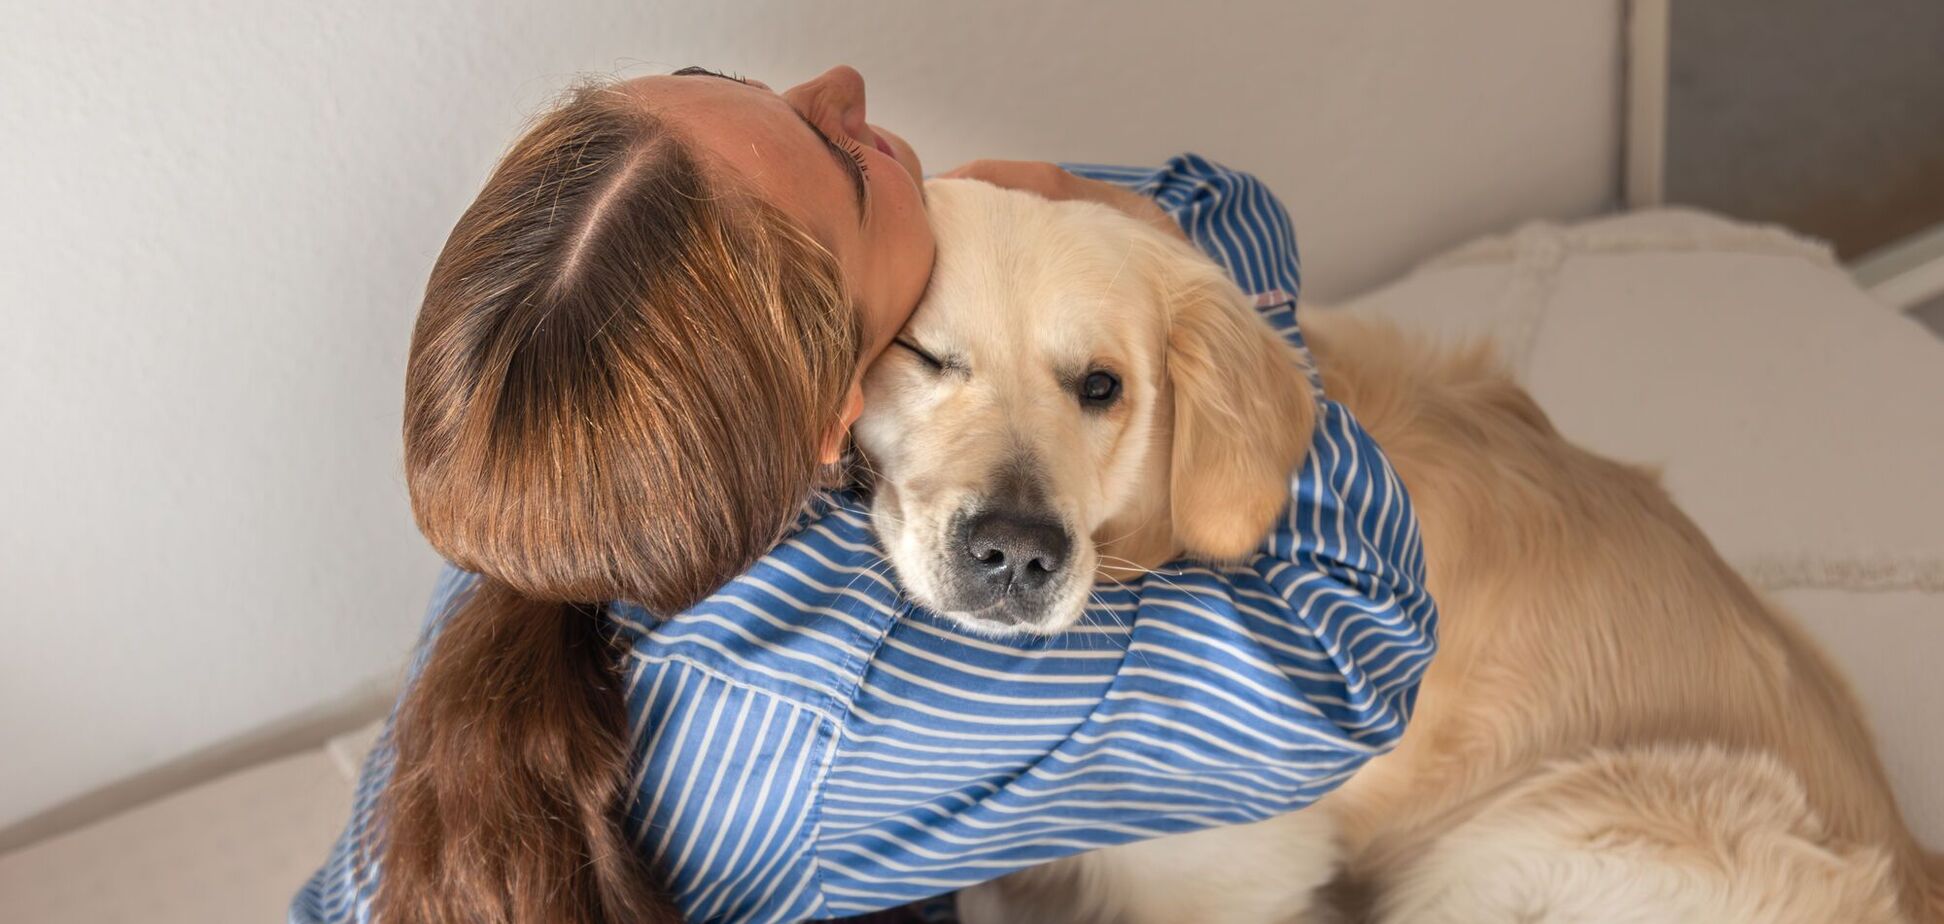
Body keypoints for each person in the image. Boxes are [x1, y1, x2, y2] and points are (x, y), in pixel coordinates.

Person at [291, 65, 1437, 924]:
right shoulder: (845, 677)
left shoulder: (583, 457)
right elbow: (1350, 655)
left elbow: (1217, 201)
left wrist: (1033, 218)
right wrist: (1148, 265)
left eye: (729, 82)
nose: (842, 85)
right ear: (828, 416)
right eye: (842, 171)